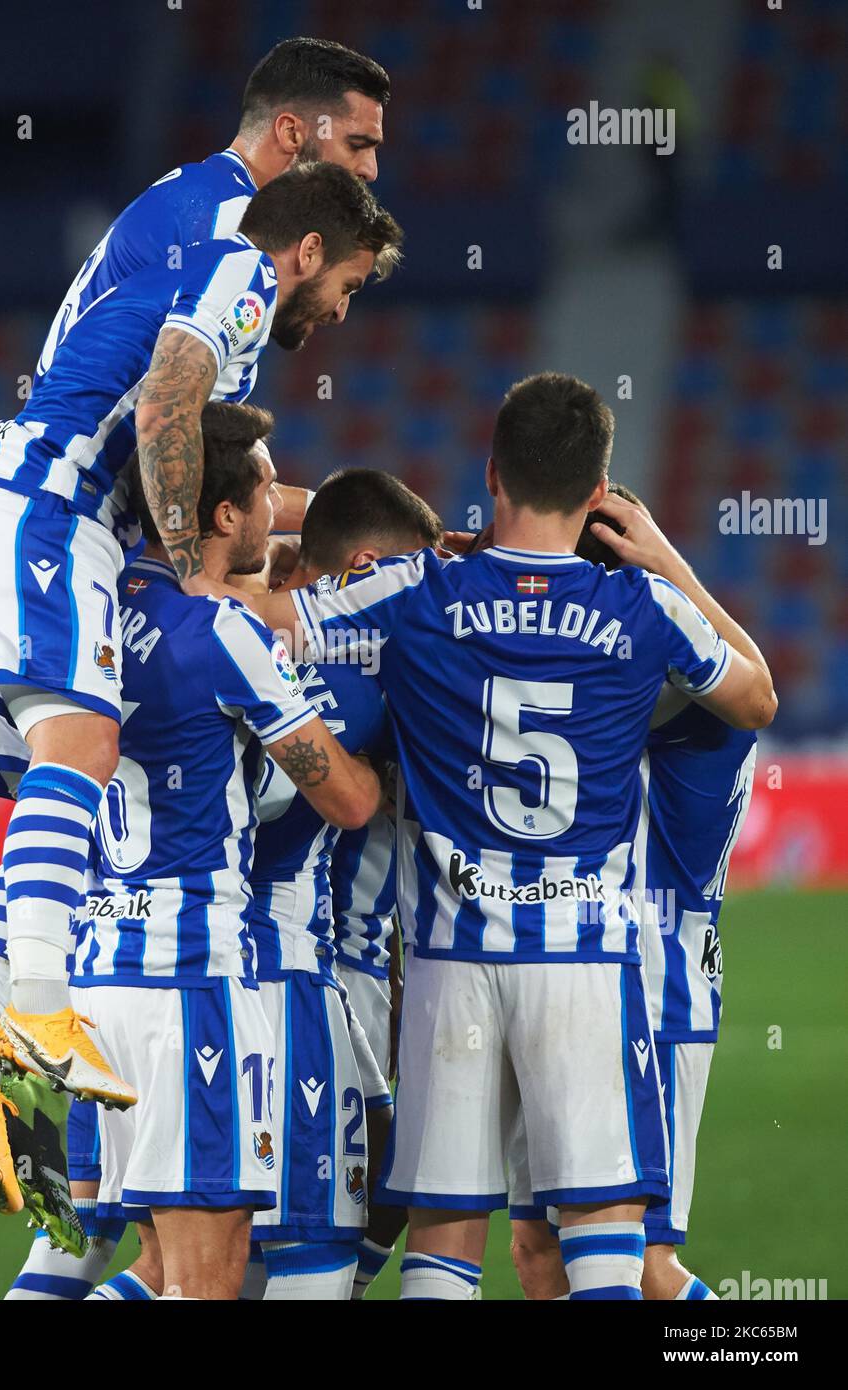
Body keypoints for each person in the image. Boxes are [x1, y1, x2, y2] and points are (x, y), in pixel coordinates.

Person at [0, 165, 401, 1227]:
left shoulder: (173, 279)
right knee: (81, 754)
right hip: (48, 520)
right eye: (350, 284)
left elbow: (239, 490)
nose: (338, 310)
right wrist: (189, 570)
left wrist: (382, 544)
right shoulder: (237, 276)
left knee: (57, 799)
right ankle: (39, 1014)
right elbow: (174, 401)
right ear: (307, 252)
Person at [251, 371, 776, 1299]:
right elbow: (754, 694)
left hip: (453, 962)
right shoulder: (644, 613)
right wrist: (657, 562)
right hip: (583, 958)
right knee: (605, 1233)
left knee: (445, 1240)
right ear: (595, 495)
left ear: (490, 474)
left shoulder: (415, 592)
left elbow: (270, 619)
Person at [67, 403, 380, 1300]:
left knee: (155, 1267)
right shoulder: (224, 635)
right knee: (210, 1277)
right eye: (264, 491)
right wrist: (383, 772)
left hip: (99, 977)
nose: (278, 506)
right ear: (224, 516)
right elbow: (347, 800)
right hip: (191, 982)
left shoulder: (82, 614)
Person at [507, 483, 760, 1302]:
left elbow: (743, 684)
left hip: (654, 992)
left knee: (640, 1263)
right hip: (568, 980)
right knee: (537, 1250)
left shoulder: (696, 706)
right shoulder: (642, 682)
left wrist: (665, 572)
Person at [240, 469, 441, 1299]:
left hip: (213, 953)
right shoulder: (379, 679)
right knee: (346, 1200)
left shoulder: (234, 643)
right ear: (367, 570)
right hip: (318, 972)